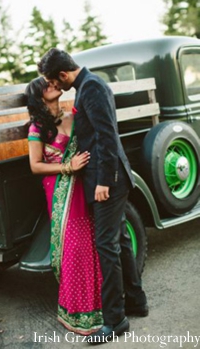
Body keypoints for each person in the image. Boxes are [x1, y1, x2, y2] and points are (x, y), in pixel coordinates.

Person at [37, 49, 148, 345]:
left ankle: (114, 321)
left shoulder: (92, 87)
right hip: (107, 179)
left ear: (62, 75)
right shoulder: (87, 87)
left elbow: (107, 136)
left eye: (53, 81)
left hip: (107, 181)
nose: (54, 87)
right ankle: (136, 301)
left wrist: (104, 181)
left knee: (106, 246)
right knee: (121, 240)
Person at [25, 76, 103, 336]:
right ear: (39, 95)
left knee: (91, 243)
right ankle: (77, 312)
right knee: (74, 247)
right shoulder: (37, 127)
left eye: (52, 82)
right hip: (60, 189)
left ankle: (100, 307)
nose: (53, 85)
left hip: (84, 185)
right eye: (46, 85)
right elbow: (35, 166)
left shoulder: (72, 117)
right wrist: (68, 167)